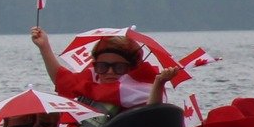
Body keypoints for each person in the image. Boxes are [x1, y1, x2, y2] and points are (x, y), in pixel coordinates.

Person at [31, 27, 180, 113]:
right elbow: (63, 80)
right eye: (103, 66)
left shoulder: (142, 88)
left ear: (131, 67)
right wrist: (44, 47)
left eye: (118, 67)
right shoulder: (94, 75)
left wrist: (159, 84)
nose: (109, 72)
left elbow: (153, 112)